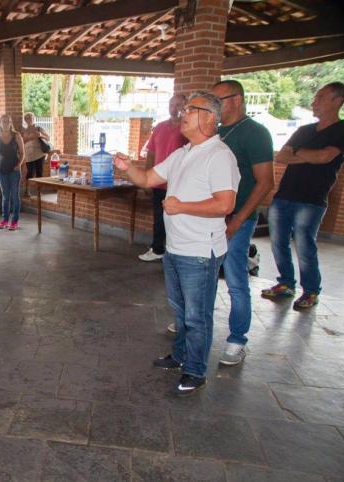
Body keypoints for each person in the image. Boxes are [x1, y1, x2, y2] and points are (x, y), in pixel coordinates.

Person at [113, 91, 240, 396]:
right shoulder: (184, 153)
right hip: (176, 247)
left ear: (209, 117)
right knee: (180, 310)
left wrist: (182, 206)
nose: (183, 113)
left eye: (190, 109)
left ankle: (196, 371)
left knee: (198, 316)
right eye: (184, 108)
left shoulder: (219, 155)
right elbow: (147, 179)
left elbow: (226, 204)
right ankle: (181, 355)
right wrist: (128, 166)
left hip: (200, 252)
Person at [262, 82, 344, 310]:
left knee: (305, 245)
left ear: (337, 100)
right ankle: (285, 283)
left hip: (312, 198)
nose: (314, 102)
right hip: (285, 194)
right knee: (278, 242)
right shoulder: (305, 130)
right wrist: (307, 155)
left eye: (321, 98)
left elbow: (325, 157)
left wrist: (298, 152)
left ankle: (311, 290)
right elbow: (281, 156)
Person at [210, 80, 274, 366]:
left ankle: (237, 339)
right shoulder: (216, 133)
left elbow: (265, 182)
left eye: (218, 101)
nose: (215, 108)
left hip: (237, 217)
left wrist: (239, 219)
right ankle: (196, 324)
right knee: (204, 275)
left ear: (237, 99)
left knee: (235, 279)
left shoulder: (255, 133)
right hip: (210, 217)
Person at [138, 94, 187, 262]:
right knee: (159, 217)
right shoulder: (159, 127)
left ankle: (175, 251)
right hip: (159, 181)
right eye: (171, 105)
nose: (174, 108)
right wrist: (146, 175)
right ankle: (158, 248)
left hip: (178, 183)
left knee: (177, 219)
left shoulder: (186, 129)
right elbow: (151, 153)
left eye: (178, 105)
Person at [0, 114, 25, 231]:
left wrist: (18, 165)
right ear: (0, 123)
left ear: (11, 123)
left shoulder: (16, 136)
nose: (5, 123)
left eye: (8, 121)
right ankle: (5, 220)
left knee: (15, 196)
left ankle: (14, 221)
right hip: (1, 171)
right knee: (5, 196)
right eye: (3, 121)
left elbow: (22, 153)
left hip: (14, 170)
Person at [20, 112, 49, 197]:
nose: (30, 120)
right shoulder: (23, 130)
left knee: (39, 173)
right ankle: (27, 191)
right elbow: (22, 142)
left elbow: (48, 137)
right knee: (30, 173)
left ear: (34, 119)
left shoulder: (38, 128)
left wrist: (40, 135)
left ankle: (39, 191)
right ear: (25, 120)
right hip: (29, 155)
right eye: (28, 118)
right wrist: (30, 137)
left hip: (39, 154)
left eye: (31, 118)